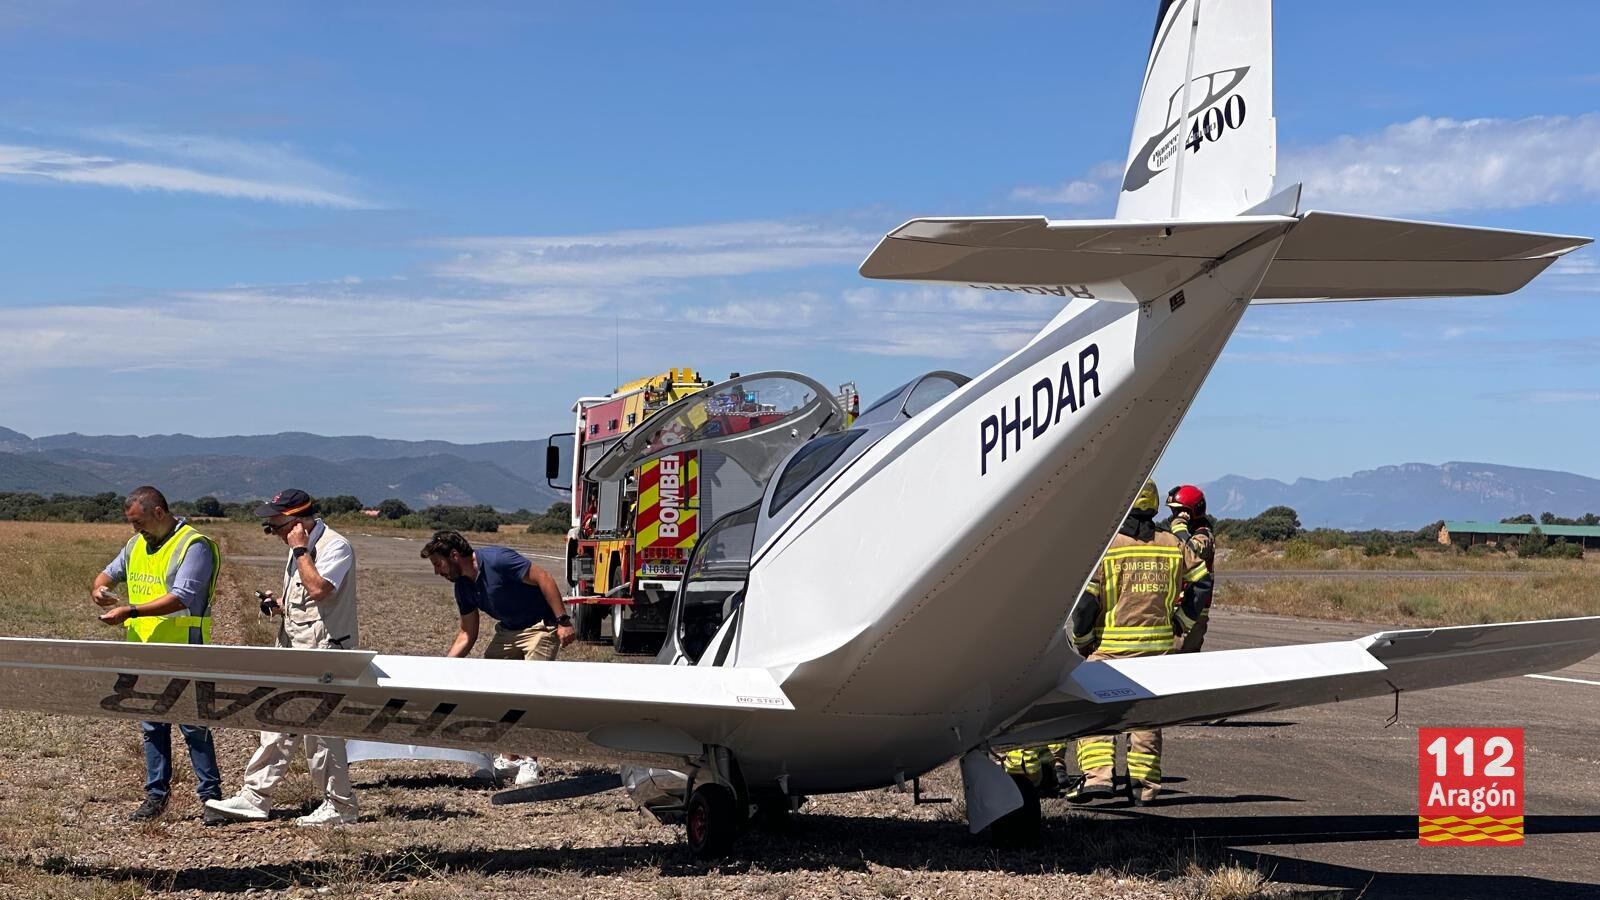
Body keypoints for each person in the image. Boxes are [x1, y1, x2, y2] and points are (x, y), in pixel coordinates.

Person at [206, 489, 360, 826]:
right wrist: (279, 605)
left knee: (321, 731)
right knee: (275, 721)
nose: (273, 533)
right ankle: (255, 797)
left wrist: (300, 548)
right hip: (293, 648)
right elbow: (306, 597)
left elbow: (320, 589)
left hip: (324, 651)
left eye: (276, 526)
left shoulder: (334, 546)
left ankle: (341, 805)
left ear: (298, 522)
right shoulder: (297, 550)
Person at [1064, 480, 1211, 805]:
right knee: (1146, 717)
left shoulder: (1107, 546)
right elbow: (1202, 582)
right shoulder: (1172, 543)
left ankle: (1099, 778)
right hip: (1157, 650)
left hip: (1111, 647)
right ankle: (1144, 787)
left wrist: (1084, 639)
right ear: (1156, 507)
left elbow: (1087, 604)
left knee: (1095, 711)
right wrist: (1181, 623)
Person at [91, 485, 225, 823]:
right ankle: (156, 796)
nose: (134, 529)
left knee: (194, 724)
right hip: (144, 650)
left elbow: (182, 596)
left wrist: (130, 611)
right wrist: (100, 589)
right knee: (152, 724)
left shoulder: (194, 546)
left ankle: (210, 798)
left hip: (185, 649)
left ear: (159, 513)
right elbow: (109, 572)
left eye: (139, 522)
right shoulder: (136, 544)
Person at [421, 530, 575, 785]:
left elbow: (543, 577)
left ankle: (530, 762)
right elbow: (467, 634)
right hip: (508, 631)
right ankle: (509, 758)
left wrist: (563, 621)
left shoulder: (498, 560)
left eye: (439, 564)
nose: (438, 571)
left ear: (455, 555)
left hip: (540, 626)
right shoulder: (463, 587)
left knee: (531, 692)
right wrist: (443, 668)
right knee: (495, 688)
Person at [1166, 484, 1216, 653]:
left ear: (1191, 512)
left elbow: (1191, 551)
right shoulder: (1184, 534)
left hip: (1193, 611)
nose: (1173, 516)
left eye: (1178, 511)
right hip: (1180, 607)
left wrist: (1179, 527)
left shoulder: (1204, 535)